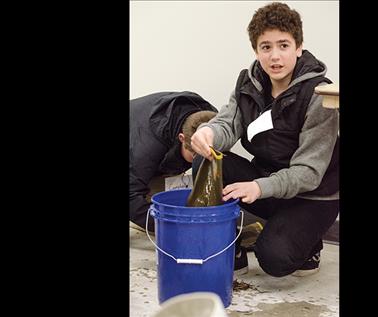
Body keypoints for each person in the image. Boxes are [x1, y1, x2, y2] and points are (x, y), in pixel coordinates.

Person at [191, 2, 339, 278]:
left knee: (274, 258)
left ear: (298, 47)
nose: (275, 56)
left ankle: (309, 243)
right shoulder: (248, 82)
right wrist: (208, 132)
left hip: (312, 195)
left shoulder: (319, 94)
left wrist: (259, 187)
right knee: (205, 158)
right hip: (268, 182)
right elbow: (228, 122)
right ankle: (228, 243)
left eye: (283, 45)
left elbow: (308, 173)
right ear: (256, 50)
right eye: (266, 47)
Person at [130, 91, 217, 232]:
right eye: (196, 155)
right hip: (138, 138)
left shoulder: (212, 123)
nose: (203, 161)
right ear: (181, 138)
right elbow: (131, 196)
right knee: (137, 194)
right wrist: (175, 229)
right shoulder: (149, 147)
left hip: (149, 131)